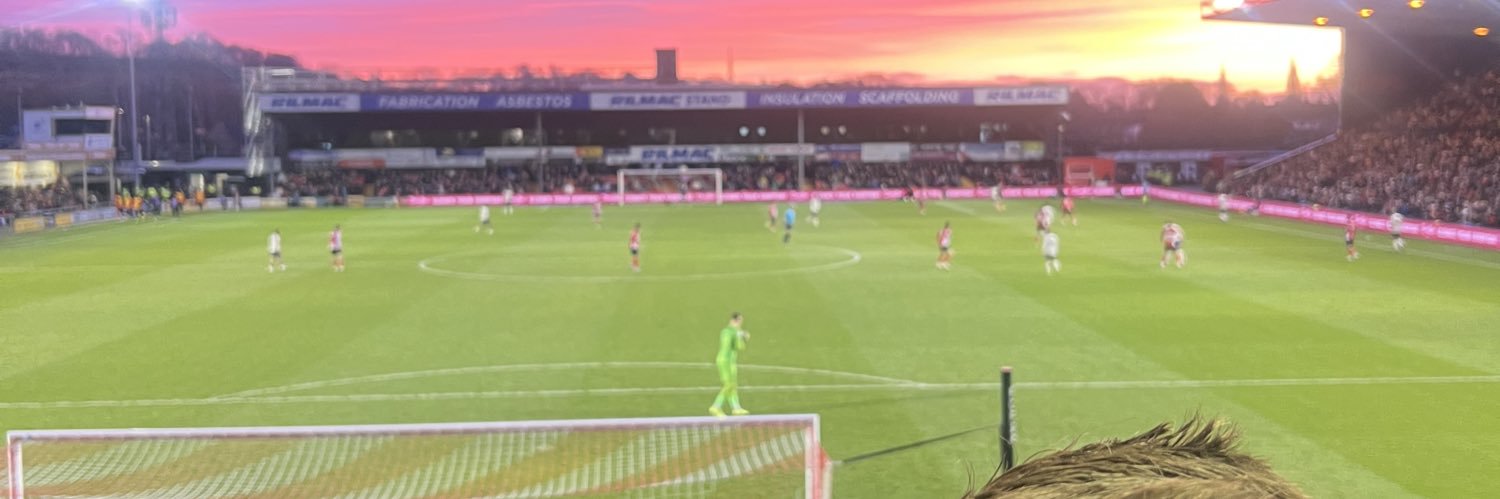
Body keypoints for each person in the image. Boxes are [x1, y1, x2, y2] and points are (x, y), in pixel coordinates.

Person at [708, 312, 750, 418]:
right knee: (729, 385)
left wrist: (740, 336)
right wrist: (743, 337)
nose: (739, 324)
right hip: (727, 361)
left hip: (724, 360)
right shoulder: (735, 332)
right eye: (739, 321)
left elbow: (731, 345)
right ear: (735, 321)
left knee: (733, 385)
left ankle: (736, 408)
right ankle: (716, 406)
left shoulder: (725, 331)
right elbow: (739, 347)